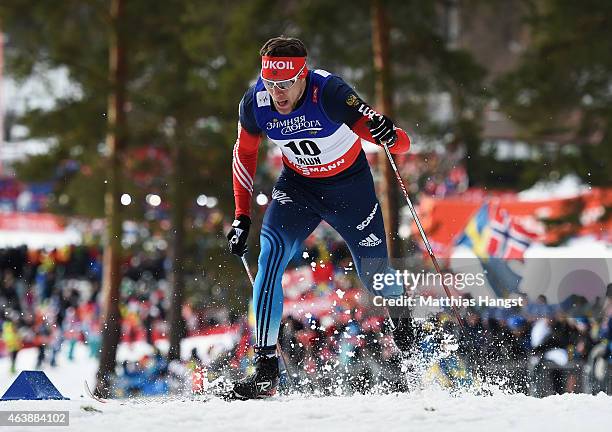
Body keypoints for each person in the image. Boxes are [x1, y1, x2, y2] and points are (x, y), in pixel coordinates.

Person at [226, 36, 414, 399]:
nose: (277, 94)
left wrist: (392, 135)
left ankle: (406, 332)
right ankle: (265, 369)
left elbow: (395, 142)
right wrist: (241, 215)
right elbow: (244, 155)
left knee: (375, 276)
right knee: (270, 260)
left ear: (302, 76)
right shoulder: (255, 103)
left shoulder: (328, 92)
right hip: (298, 188)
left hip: (350, 191)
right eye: (270, 83)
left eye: (285, 84)